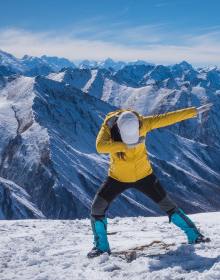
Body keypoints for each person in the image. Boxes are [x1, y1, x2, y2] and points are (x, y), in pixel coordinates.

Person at [88, 104, 213, 258]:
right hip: (118, 178)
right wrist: (125, 145)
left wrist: (193, 111)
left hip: (143, 176)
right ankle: (101, 248)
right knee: (97, 209)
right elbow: (100, 147)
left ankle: (195, 236)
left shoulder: (142, 123)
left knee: (168, 206)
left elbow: (168, 118)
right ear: (118, 128)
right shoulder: (107, 128)